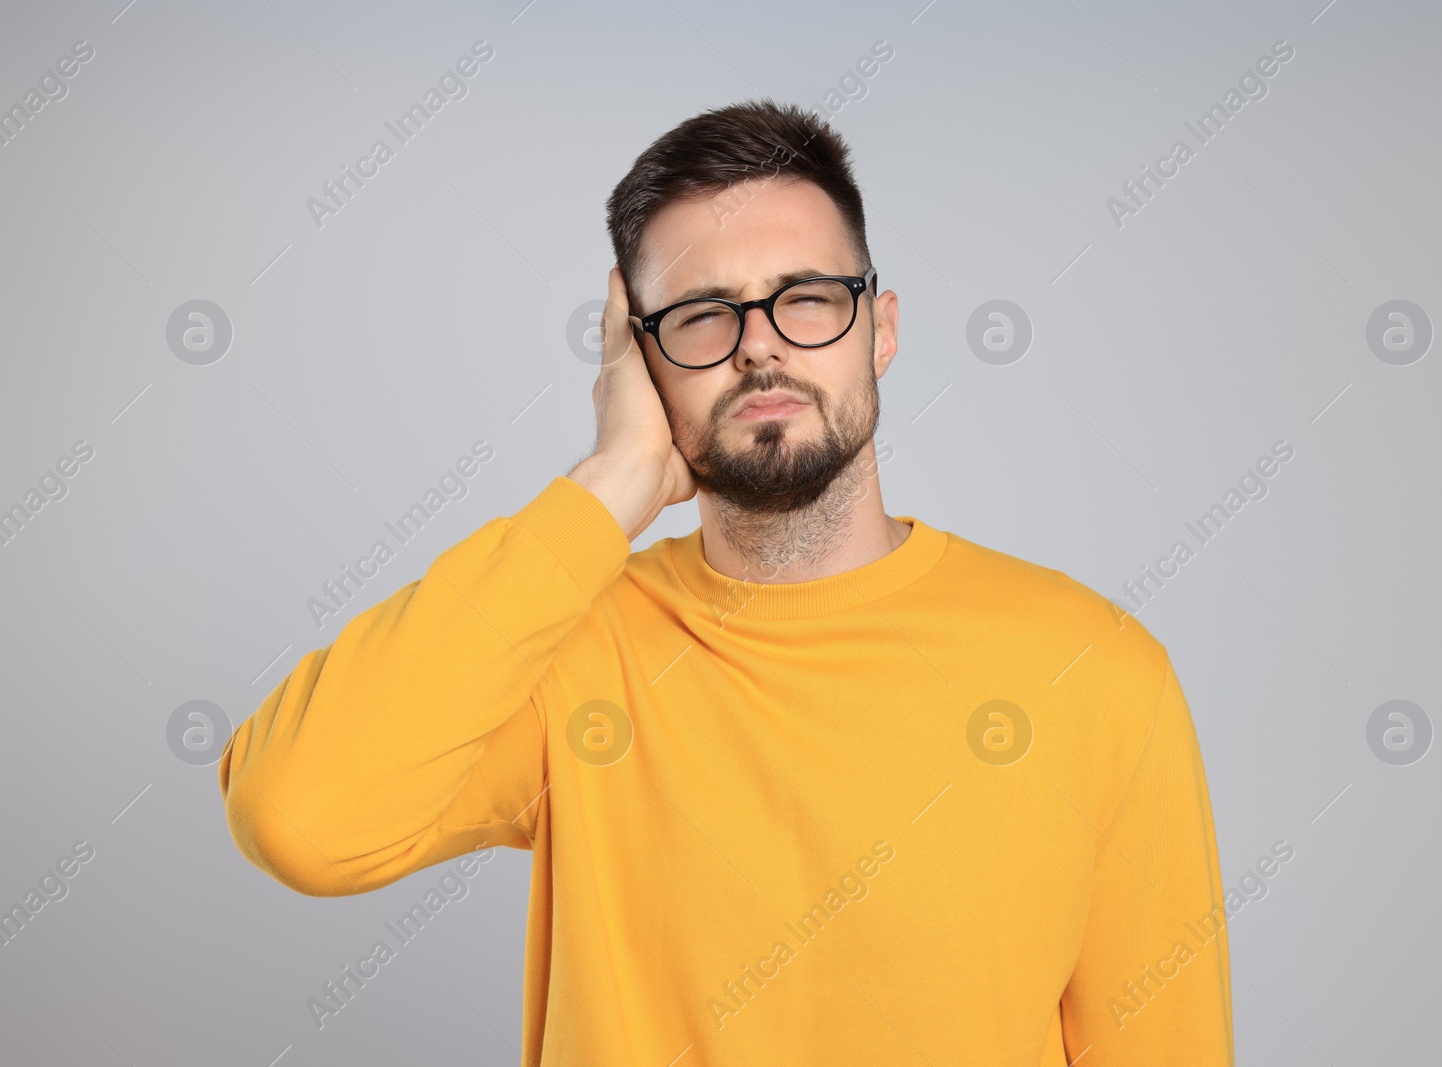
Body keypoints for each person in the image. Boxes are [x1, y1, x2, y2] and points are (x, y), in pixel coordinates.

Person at [219, 98, 1233, 1065]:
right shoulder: (573, 641)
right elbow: (298, 814)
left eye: (805, 298)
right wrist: (606, 488)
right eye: (701, 316)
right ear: (637, 361)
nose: (759, 344)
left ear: (877, 330)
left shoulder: (1092, 668)